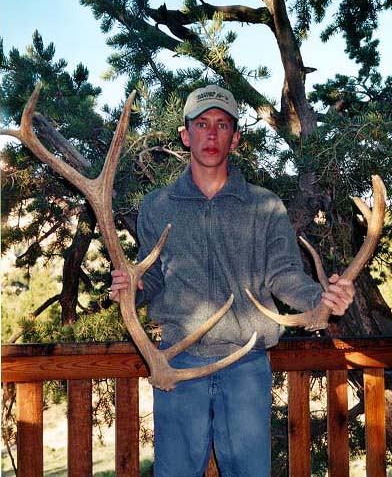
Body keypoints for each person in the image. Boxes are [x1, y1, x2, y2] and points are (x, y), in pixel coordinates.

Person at [109, 84, 355, 477]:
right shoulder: (157, 205)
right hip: (175, 362)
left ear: (235, 138)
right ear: (185, 135)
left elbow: (283, 274)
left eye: (222, 125)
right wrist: (133, 285)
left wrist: (321, 299)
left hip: (245, 362)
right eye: (202, 124)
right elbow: (151, 276)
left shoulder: (265, 205)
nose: (211, 133)